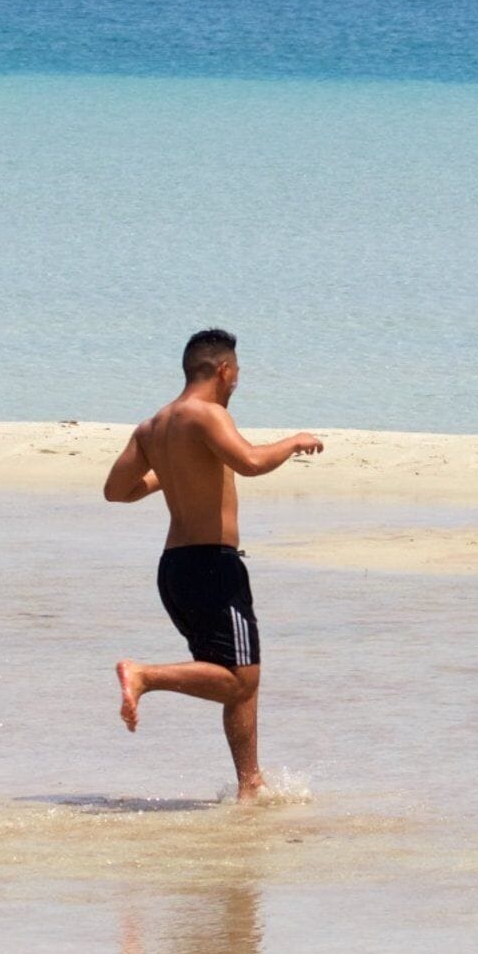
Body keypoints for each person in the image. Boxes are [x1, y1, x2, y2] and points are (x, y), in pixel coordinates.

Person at [103, 328, 323, 800]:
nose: (236, 383)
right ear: (223, 370)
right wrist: (294, 442)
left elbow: (116, 491)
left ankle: (251, 784)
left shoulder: (153, 426)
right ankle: (144, 675)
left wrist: (172, 476)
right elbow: (249, 462)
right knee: (240, 679)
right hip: (213, 566)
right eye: (237, 374)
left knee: (238, 672)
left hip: (175, 569)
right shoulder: (208, 414)